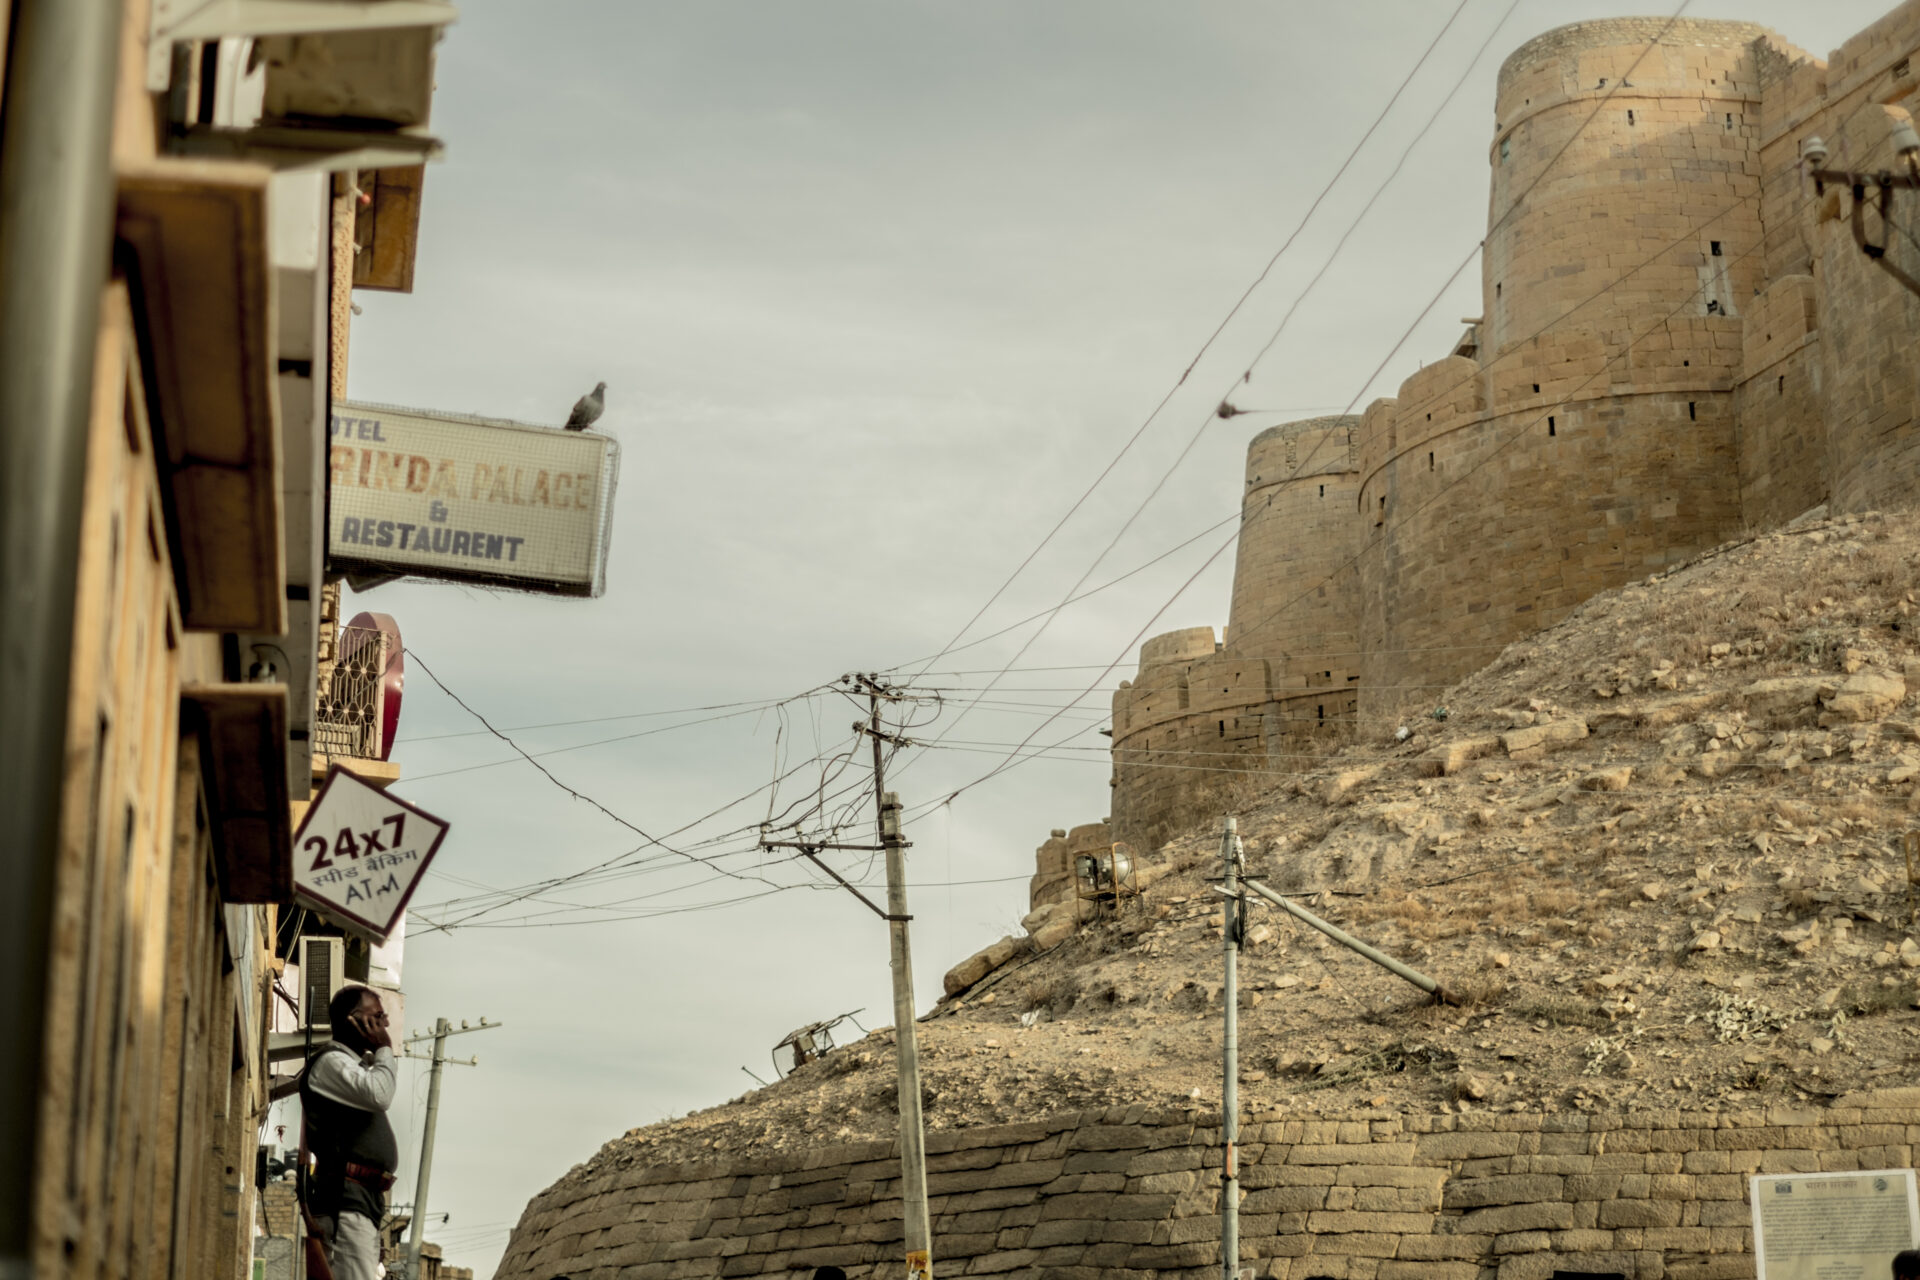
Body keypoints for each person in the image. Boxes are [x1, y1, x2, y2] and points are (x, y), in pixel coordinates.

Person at [301, 984, 399, 1280]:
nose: (385, 1024)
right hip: (345, 1198)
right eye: (377, 1017)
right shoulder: (330, 1062)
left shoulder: (351, 1065)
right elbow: (380, 1094)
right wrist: (384, 1048)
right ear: (352, 1020)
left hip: (361, 1200)